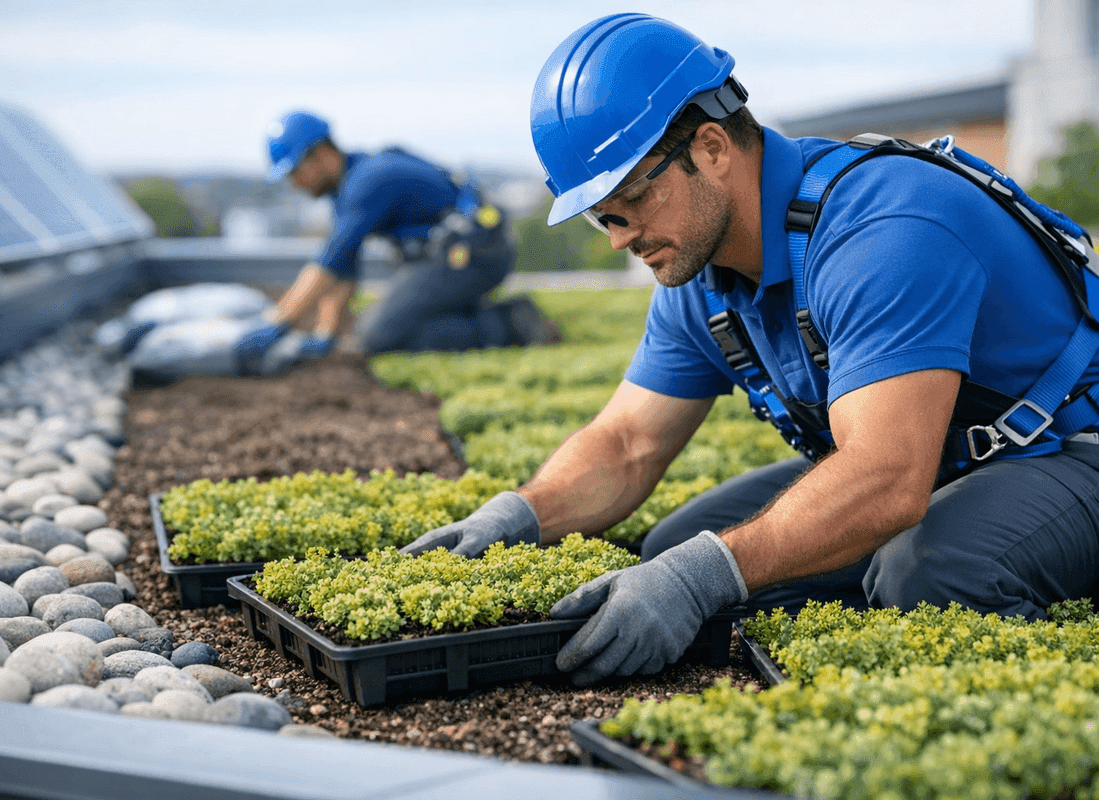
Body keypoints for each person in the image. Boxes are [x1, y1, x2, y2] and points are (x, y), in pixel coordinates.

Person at [401, 12, 1099, 686]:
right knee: (674, 551)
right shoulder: (696, 276)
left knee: (934, 570)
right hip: (946, 467)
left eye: (630, 200)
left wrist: (708, 577)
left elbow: (885, 476)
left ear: (711, 147)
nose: (618, 236)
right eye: (601, 215)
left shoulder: (882, 228)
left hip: (1073, 453)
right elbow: (627, 443)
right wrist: (517, 516)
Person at [234, 111, 557, 367]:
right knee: (383, 328)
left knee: (377, 336)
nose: (295, 183)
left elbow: (328, 264)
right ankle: (473, 314)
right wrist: (325, 335)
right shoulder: (346, 189)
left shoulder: (369, 182)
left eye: (295, 172)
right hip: (452, 255)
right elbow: (345, 268)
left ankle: (511, 323)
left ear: (321, 155)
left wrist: (280, 322)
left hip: (475, 253)